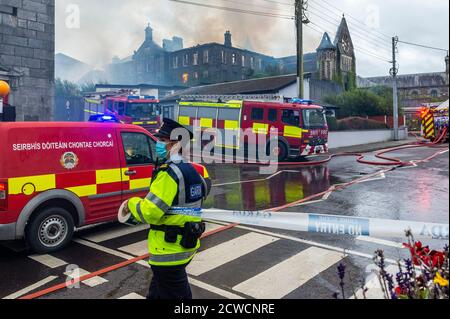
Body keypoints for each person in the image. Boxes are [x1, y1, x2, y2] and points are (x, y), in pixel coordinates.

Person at [122, 118, 211, 300]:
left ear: (176, 144)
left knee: (177, 294)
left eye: (163, 141)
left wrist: (131, 203)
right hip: (186, 245)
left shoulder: (168, 173)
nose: (158, 144)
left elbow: (151, 212)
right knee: (158, 291)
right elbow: (201, 193)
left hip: (168, 251)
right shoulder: (191, 170)